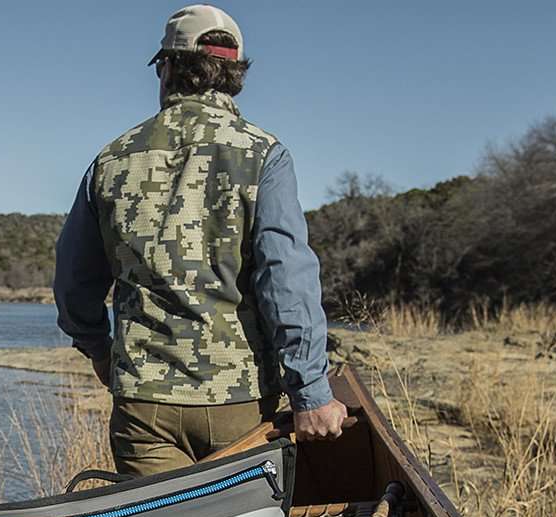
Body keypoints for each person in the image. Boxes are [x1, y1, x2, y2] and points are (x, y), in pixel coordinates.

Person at [54, 4, 347, 476]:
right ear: (233, 74)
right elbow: (285, 279)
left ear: (167, 67)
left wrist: (99, 350)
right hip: (243, 404)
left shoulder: (111, 160)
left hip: (145, 404)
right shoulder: (263, 154)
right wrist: (309, 390)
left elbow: (73, 281)